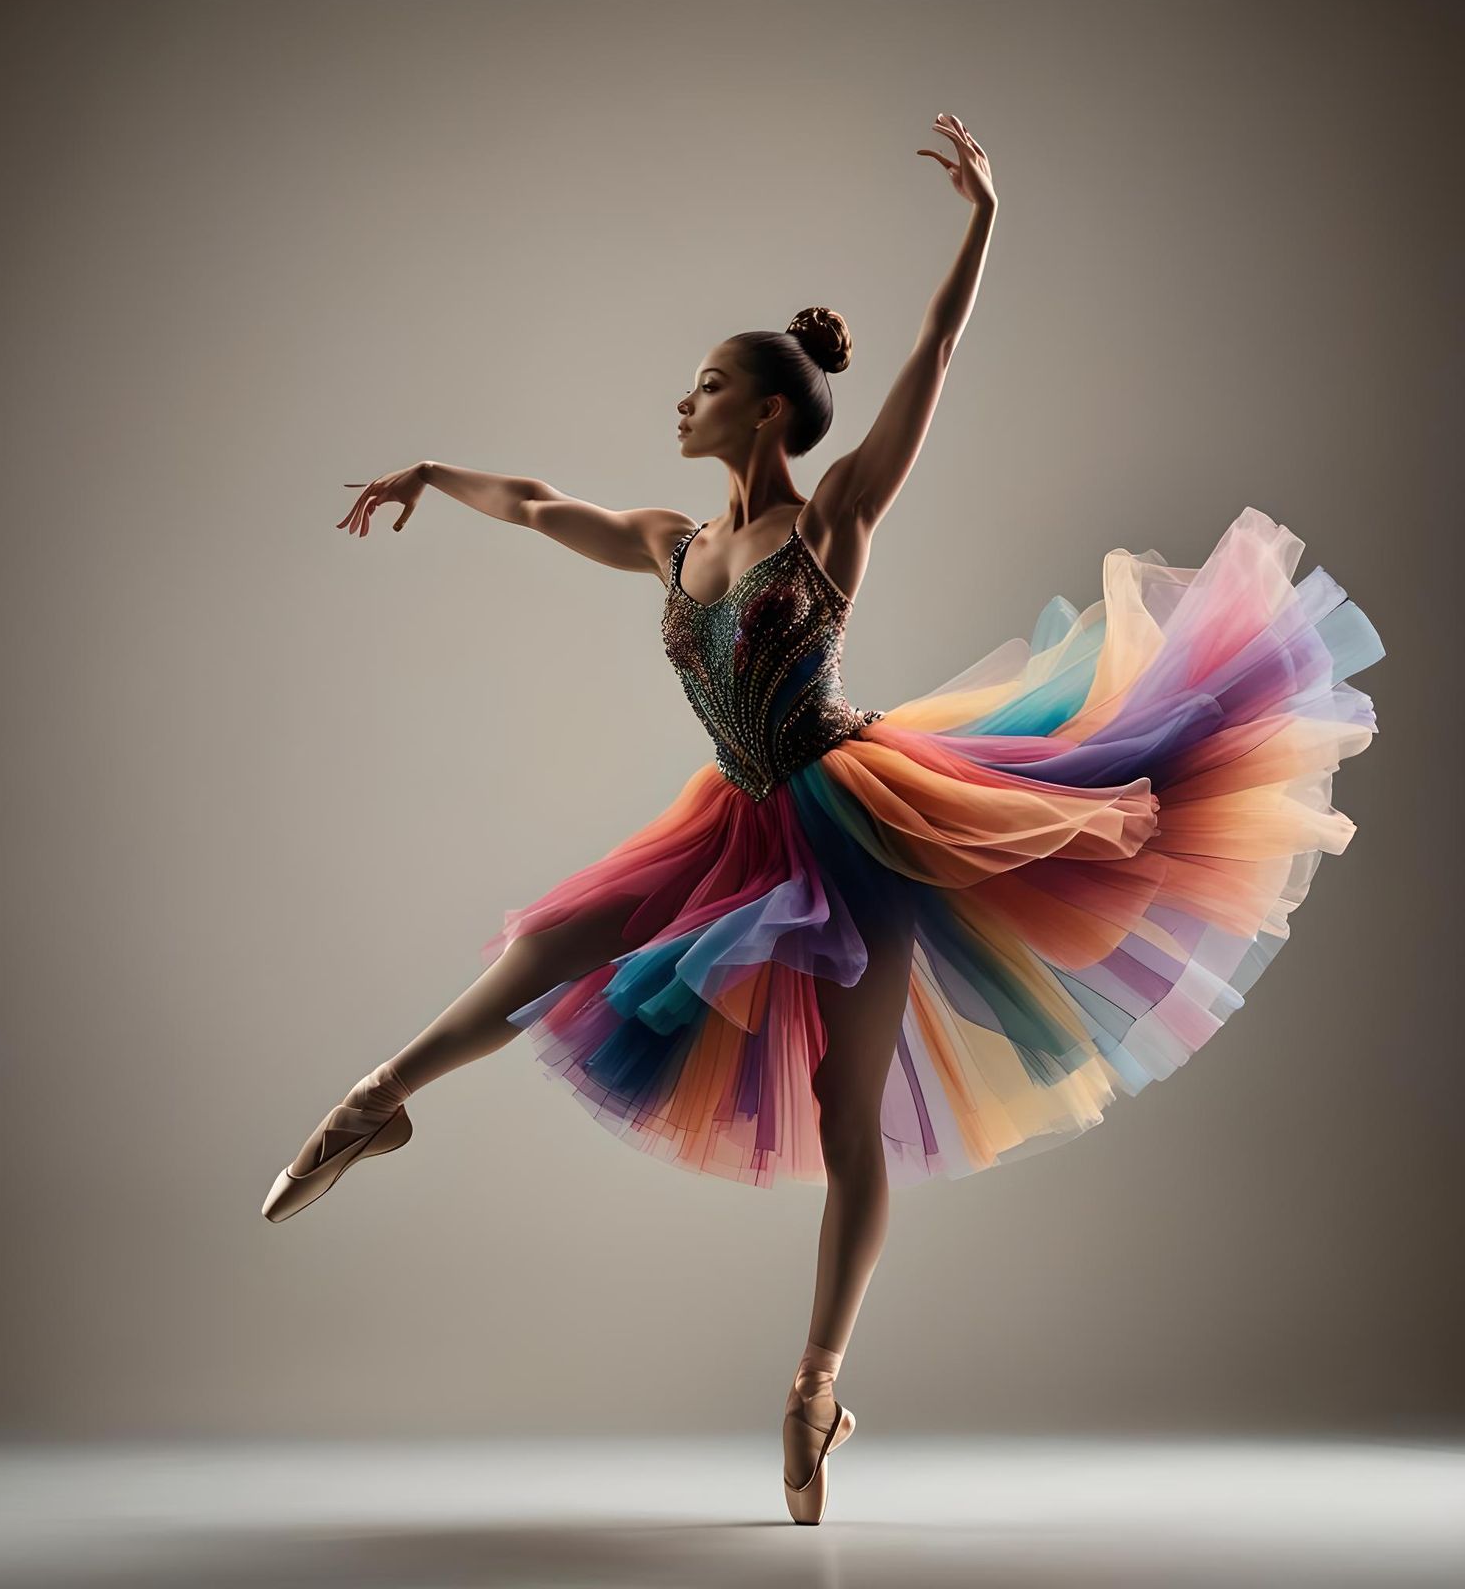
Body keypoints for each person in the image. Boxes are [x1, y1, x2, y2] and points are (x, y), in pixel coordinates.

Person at [261, 114, 1384, 1525]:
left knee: (849, 1119)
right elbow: (542, 506)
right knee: (551, 947)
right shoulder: (673, 543)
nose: (682, 401)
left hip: (856, 822)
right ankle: (374, 1106)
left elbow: (936, 358)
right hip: (730, 818)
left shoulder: (833, 520)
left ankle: (812, 1392)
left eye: (707, 384)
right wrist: (433, 475)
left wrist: (984, 218)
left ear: (767, 413)